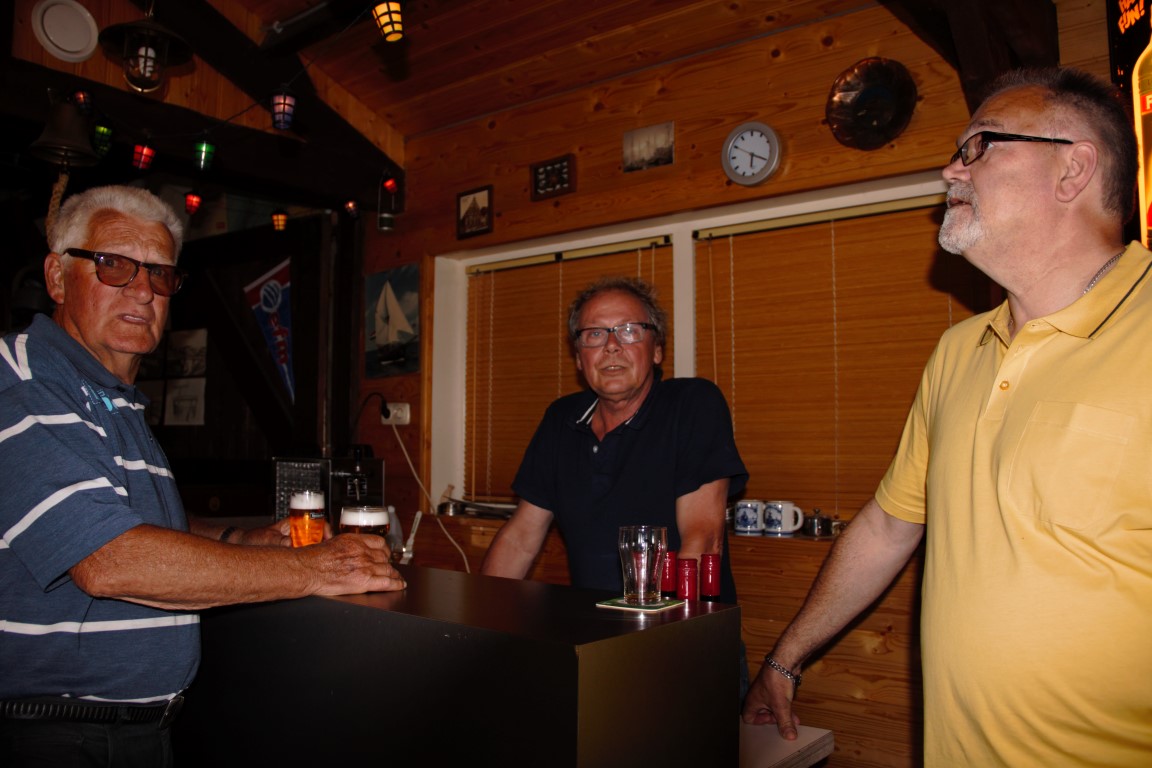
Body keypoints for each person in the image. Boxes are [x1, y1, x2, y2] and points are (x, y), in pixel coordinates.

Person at [741, 67, 1152, 765]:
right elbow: (889, 526)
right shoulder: (959, 351)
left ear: (1073, 168)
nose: (950, 169)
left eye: (978, 145)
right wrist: (785, 660)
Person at [0, 185, 406, 767]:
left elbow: (137, 522)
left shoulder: (112, 399)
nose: (143, 290)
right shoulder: (21, 382)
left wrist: (242, 540)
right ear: (58, 277)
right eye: (114, 265)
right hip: (54, 733)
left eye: (160, 274)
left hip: (130, 730)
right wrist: (315, 567)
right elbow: (111, 559)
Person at [480, 276, 749, 687]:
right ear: (579, 358)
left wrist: (663, 649)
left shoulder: (692, 404)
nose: (611, 345)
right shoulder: (560, 419)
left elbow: (703, 536)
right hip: (591, 647)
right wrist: (478, 627)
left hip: (684, 647)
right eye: (594, 334)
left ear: (656, 349)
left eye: (628, 330)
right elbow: (520, 537)